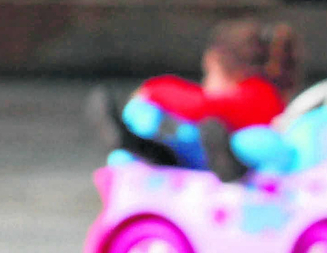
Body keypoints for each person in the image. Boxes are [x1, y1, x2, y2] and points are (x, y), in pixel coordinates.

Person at [86, 20, 300, 182]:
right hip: (216, 155)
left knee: (203, 137)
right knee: (194, 137)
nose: (205, 82)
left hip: (243, 159)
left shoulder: (257, 95)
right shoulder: (265, 95)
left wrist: (153, 89)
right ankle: (138, 144)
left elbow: (201, 105)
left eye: (209, 74)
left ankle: (140, 145)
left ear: (220, 65)